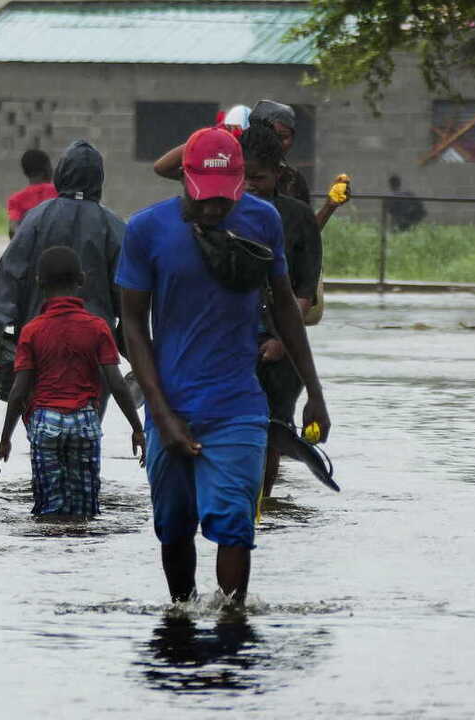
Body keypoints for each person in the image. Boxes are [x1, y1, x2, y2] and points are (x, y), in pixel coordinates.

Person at [117, 127, 331, 606]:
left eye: (225, 198)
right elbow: (132, 325)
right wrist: (163, 414)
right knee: (173, 527)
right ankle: (181, 616)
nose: (215, 208)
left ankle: (233, 626)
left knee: (235, 525)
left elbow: (284, 308)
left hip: (237, 405)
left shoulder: (262, 221)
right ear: (184, 180)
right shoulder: (146, 230)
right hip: (170, 402)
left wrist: (314, 389)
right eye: (204, 199)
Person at [0, 246, 145, 517]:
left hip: (45, 422)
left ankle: (53, 553)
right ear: (82, 280)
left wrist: (5, 439)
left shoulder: (32, 331)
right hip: (85, 421)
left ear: (39, 282)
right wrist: (137, 428)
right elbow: (117, 384)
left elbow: (19, 390)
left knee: (48, 509)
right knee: (86, 509)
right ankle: (80, 554)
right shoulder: (97, 327)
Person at [0, 140, 125, 401]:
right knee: (90, 424)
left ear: (61, 173)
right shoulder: (113, 225)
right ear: (99, 179)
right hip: (94, 346)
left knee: (39, 420)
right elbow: (128, 292)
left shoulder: (35, 219)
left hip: (39, 339)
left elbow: (8, 275)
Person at [240, 120, 323, 498]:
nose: (250, 185)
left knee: (273, 430)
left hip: (280, 344)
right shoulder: (222, 211)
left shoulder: (298, 217)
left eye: (258, 177)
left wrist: (281, 340)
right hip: (232, 342)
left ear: (278, 174)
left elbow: (304, 289)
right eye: (242, 176)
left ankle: (262, 502)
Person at [153, 100, 351, 230]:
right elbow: (163, 167)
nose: (248, 185)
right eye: (243, 178)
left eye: (284, 137)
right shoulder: (223, 168)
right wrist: (212, 136)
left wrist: (329, 207)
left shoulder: (291, 180)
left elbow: (305, 234)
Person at [6, 149, 59, 238]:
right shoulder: (60, 192)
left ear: (25, 172)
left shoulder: (16, 200)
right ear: (47, 169)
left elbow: (12, 229)